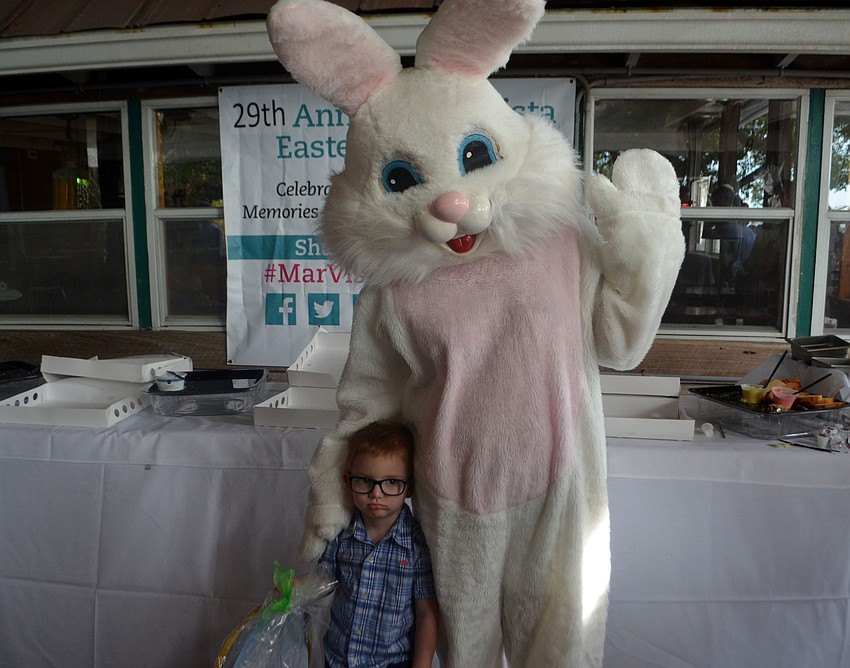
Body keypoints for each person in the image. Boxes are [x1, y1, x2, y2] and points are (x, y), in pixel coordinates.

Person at [319, 420, 439, 668]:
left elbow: (426, 611)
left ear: (410, 487)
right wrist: (294, 589)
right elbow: (324, 579)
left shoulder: (417, 545)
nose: (377, 493)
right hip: (339, 658)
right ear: (347, 479)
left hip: (391, 662)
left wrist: (423, 662)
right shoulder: (341, 533)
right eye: (365, 480)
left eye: (392, 482)